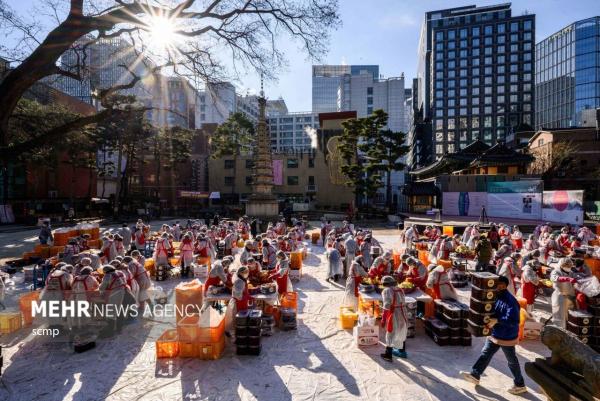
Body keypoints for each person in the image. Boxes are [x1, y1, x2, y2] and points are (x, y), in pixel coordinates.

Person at [460, 276, 527, 395]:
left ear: (505, 285)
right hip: (495, 332)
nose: (497, 286)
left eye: (500, 284)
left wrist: (497, 320)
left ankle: (520, 384)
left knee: (511, 361)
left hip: (507, 335)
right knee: (485, 353)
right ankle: (475, 374)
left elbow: (514, 320)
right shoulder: (495, 295)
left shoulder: (511, 301)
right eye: (497, 284)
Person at [380, 275, 409, 361]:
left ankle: (388, 354)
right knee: (402, 330)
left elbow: (387, 305)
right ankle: (402, 351)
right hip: (403, 312)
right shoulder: (400, 289)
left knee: (391, 332)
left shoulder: (387, 290)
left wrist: (383, 318)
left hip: (394, 313)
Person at [550, 257, 577, 329]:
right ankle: (559, 332)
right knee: (559, 317)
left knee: (569, 317)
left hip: (570, 297)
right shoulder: (556, 271)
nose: (568, 268)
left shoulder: (571, 272)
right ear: (561, 265)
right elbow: (554, 278)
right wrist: (566, 279)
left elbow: (576, 278)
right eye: (567, 266)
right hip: (560, 297)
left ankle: (568, 331)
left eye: (569, 266)